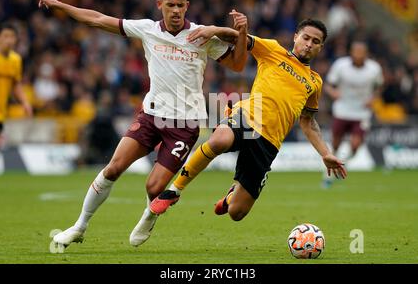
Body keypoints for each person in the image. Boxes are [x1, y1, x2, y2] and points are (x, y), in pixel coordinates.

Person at [36, 0, 248, 249]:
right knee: (112, 168)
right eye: (170, 5)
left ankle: (150, 213)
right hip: (150, 116)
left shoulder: (201, 36)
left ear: (187, 6)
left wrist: (237, 31)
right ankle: (79, 227)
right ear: (160, 5)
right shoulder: (147, 29)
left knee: (153, 187)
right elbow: (97, 19)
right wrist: (58, 4)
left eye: (180, 6)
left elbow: (239, 64)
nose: (175, 11)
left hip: (184, 125)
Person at [150, 12, 347, 221]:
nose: (309, 44)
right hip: (248, 117)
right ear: (296, 36)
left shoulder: (314, 82)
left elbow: (308, 121)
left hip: (269, 142)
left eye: (315, 42)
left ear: (320, 48)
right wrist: (214, 30)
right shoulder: (273, 50)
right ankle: (174, 190)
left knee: (237, 213)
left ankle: (230, 198)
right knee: (219, 141)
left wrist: (325, 153)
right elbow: (237, 38)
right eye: (306, 38)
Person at [322, 41, 383, 188]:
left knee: (355, 145)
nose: (359, 55)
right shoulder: (341, 65)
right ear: (351, 52)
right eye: (356, 51)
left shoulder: (374, 69)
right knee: (335, 144)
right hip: (342, 110)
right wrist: (333, 93)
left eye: (361, 52)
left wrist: (373, 99)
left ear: (366, 53)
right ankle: (328, 173)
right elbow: (328, 85)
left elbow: (379, 87)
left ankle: (342, 164)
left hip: (362, 113)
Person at [0, 24, 33, 150]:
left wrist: (25, 102)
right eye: (5, 36)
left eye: (12, 36)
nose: (9, 40)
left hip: (1, 113)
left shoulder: (16, 60)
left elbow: (16, 84)